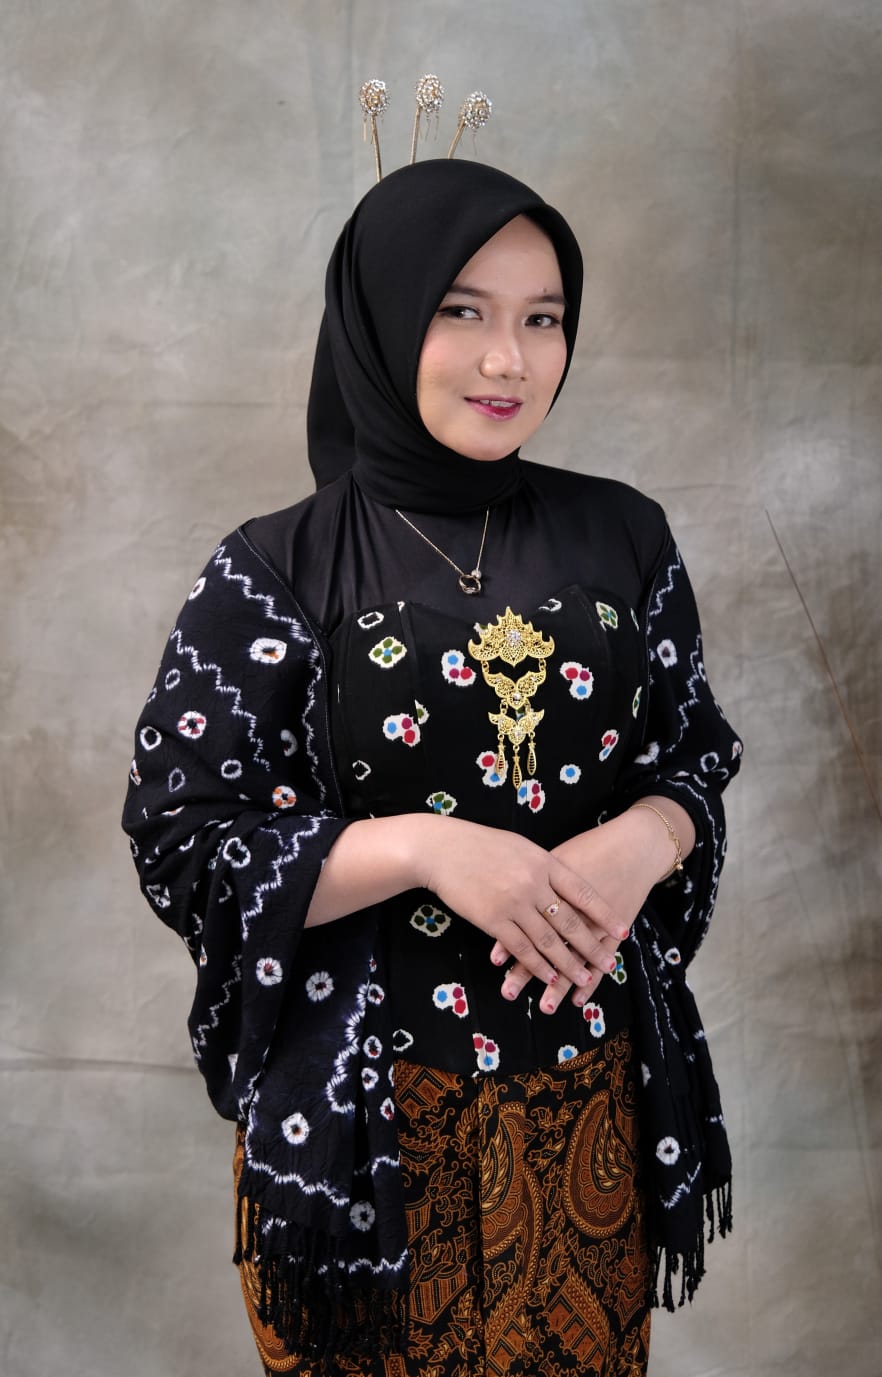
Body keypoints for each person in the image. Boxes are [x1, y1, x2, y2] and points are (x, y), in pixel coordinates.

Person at [122, 157, 742, 1377]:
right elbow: (185, 842)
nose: (509, 359)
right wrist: (427, 850)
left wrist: (647, 839)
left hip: (591, 1103)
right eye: (462, 311)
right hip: (364, 1127)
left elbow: (692, 756)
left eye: (543, 319)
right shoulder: (276, 567)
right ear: (382, 318)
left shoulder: (625, 534)